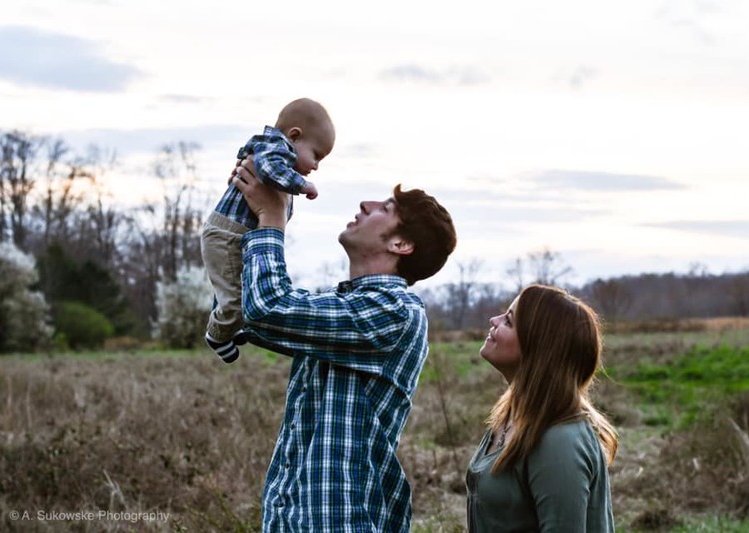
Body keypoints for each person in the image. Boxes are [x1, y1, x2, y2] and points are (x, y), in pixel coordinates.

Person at [231, 158, 457, 532]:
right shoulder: (345, 308)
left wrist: (272, 220)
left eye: (385, 208)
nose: (366, 205)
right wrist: (247, 204)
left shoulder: (394, 312)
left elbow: (266, 308)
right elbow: (246, 315)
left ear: (401, 243)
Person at [466, 284, 618, 532]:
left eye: (509, 322)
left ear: (538, 348)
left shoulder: (560, 441)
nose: (494, 320)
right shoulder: (513, 415)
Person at [200, 98, 335, 363]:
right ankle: (217, 334)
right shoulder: (276, 150)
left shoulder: (267, 149)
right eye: (316, 155)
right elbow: (270, 168)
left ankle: (233, 324)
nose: (316, 165)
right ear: (294, 136)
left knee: (243, 287)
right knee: (238, 300)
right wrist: (302, 184)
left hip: (236, 234)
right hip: (229, 235)